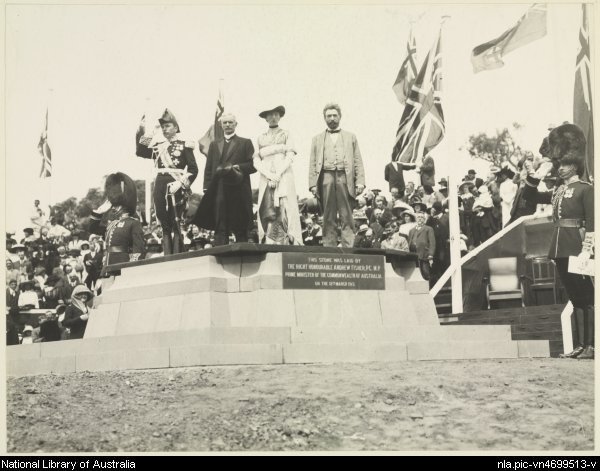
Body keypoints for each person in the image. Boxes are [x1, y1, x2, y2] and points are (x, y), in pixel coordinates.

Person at [522, 123, 594, 360]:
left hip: (576, 247)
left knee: (586, 298)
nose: (561, 168)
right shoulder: (557, 191)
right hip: (560, 247)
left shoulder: (585, 189)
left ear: (575, 164)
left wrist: (587, 250)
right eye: (559, 164)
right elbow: (531, 199)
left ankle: (590, 345)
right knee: (574, 297)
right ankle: (581, 346)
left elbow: (593, 221)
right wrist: (532, 176)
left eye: (565, 164)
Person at [136, 109, 198, 255]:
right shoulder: (158, 146)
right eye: (162, 127)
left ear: (176, 128)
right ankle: (167, 255)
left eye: (167, 126)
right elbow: (140, 150)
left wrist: (182, 183)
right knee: (164, 223)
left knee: (175, 222)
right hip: (160, 185)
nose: (164, 129)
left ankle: (176, 254)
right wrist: (152, 131)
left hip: (176, 184)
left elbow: (194, 169)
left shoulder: (185, 145)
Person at [193, 113, 256, 246]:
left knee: (240, 223)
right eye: (225, 123)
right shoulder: (214, 145)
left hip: (239, 189)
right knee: (220, 222)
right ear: (221, 125)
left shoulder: (245, 142)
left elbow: (253, 165)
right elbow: (209, 167)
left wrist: (238, 167)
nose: (227, 125)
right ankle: (220, 253)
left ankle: (243, 253)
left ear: (236, 124)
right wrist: (207, 186)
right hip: (219, 188)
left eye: (230, 122)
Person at [308, 103, 365, 247]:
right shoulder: (317, 139)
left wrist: (360, 181)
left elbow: (358, 160)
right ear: (324, 118)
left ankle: (348, 247)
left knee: (346, 214)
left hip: (344, 177)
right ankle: (329, 247)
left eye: (334, 115)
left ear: (340, 116)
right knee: (328, 214)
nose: (332, 118)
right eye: (329, 116)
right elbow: (312, 162)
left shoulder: (350, 137)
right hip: (326, 177)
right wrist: (313, 184)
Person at [253, 105, 303, 245]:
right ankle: (270, 242)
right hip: (266, 176)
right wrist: (269, 174)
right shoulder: (260, 138)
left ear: (280, 116)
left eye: (276, 114)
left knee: (284, 205)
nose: (273, 117)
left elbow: (290, 155)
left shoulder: (286, 134)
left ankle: (286, 242)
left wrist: (278, 174)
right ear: (266, 118)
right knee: (268, 206)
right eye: (270, 115)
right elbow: (256, 160)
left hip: (284, 175)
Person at [89, 172, 145, 272]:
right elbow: (92, 228)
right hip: (107, 265)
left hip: (122, 266)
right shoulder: (111, 224)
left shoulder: (133, 223)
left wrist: (132, 269)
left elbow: (138, 250)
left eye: (116, 206)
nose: (113, 208)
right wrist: (99, 212)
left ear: (123, 206)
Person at [408, 211, 436, 281]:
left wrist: (430, 255)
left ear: (424, 219)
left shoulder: (428, 229)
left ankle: (429, 290)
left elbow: (432, 243)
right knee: (415, 275)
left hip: (424, 255)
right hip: (413, 255)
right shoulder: (411, 230)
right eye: (418, 217)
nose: (420, 219)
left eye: (421, 217)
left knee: (425, 274)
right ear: (416, 219)